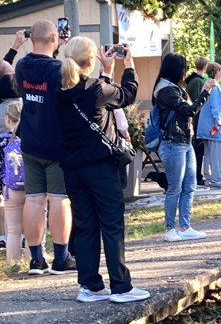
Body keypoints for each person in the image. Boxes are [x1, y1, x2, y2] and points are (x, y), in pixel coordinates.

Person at [56, 37, 149, 304]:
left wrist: (105, 72)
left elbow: (95, 94)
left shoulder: (59, 91)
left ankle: (90, 285)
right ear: (92, 60)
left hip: (72, 169)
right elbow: (127, 94)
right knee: (111, 224)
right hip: (99, 167)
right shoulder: (97, 89)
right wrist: (128, 64)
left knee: (85, 225)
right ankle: (121, 286)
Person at [14, 19, 75, 275]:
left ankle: (36, 259)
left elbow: (39, 64)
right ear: (54, 38)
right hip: (57, 143)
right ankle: (61, 257)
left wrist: (55, 47)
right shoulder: (58, 69)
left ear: (31, 39)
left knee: (34, 200)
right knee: (60, 199)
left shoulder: (22, 66)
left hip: (30, 141)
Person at [153, 53, 216, 241]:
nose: (185, 72)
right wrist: (205, 92)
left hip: (184, 141)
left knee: (190, 185)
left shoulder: (175, 88)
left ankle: (186, 226)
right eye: (183, 68)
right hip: (172, 143)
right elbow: (189, 110)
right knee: (175, 187)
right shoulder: (165, 90)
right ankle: (170, 228)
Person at [0, 101, 25, 264]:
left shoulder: (2, 142)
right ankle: (34, 259)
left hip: (10, 190)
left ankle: (13, 262)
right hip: (32, 188)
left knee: (13, 230)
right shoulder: (31, 140)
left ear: (7, 119)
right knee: (32, 228)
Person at [198, 62, 221, 189]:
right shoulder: (216, 87)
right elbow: (216, 107)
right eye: (220, 71)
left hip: (206, 126)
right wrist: (219, 122)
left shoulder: (207, 85)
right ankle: (216, 179)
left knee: (208, 153)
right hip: (215, 127)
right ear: (216, 72)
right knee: (216, 154)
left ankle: (208, 177)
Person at [185, 56, 209, 187]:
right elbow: (198, 102)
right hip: (197, 120)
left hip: (194, 120)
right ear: (205, 66)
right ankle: (197, 175)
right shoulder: (199, 83)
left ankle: (197, 174)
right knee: (198, 150)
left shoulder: (191, 81)